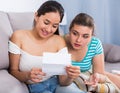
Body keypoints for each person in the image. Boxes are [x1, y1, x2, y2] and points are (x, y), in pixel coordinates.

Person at [8, 1, 77, 93]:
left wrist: (70, 77)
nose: (49, 29)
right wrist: (27, 75)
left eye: (54, 26)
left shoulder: (59, 40)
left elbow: (63, 81)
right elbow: (13, 71)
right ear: (36, 16)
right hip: (36, 87)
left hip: (57, 83)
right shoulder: (18, 37)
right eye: (46, 22)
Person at [56, 13, 120, 93]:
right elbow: (62, 82)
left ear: (91, 36)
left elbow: (100, 74)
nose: (78, 40)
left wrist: (97, 77)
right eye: (75, 33)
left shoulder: (95, 44)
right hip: (68, 80)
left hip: (88, 73)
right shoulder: (60, 42)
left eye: (85, 36)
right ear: (69, 30)